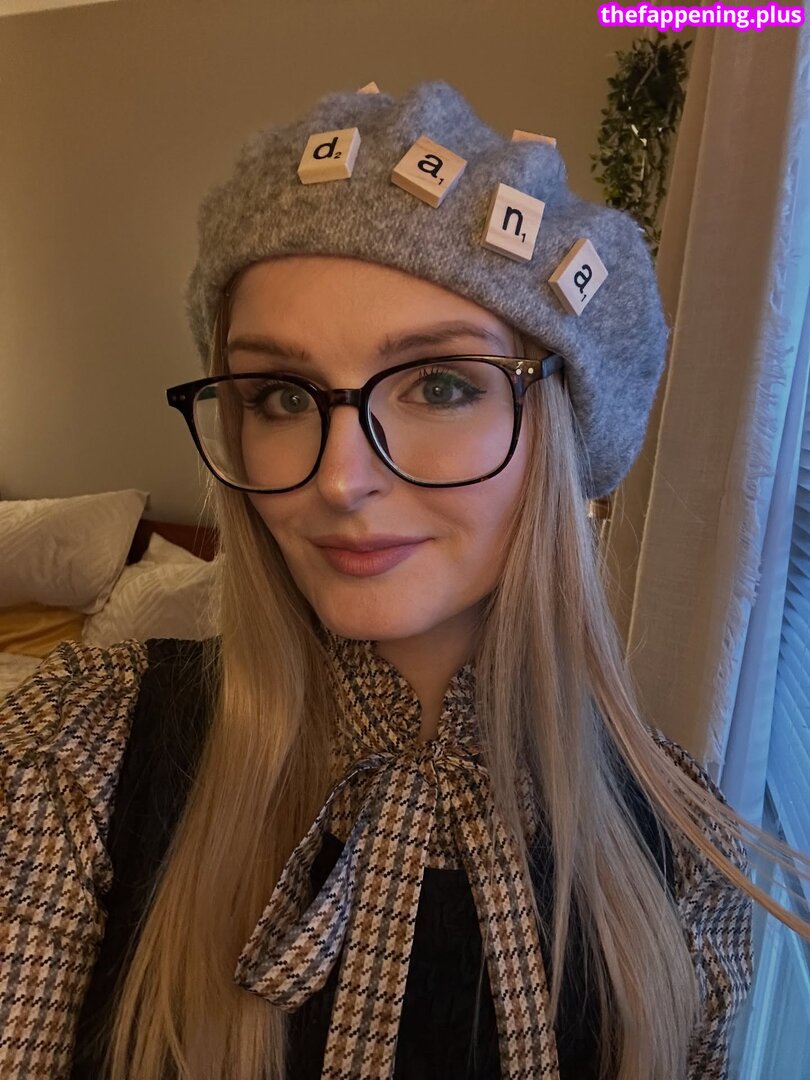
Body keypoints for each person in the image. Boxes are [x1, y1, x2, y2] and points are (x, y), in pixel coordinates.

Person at [2, 79, 809, 1080]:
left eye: (441, 384)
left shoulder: (681, 850)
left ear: (559, 435)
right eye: (281, 394)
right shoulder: (78, 756)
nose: (341, 478)